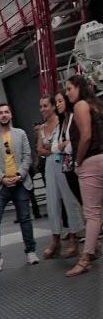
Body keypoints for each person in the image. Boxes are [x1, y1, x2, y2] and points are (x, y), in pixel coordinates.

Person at [0, 103, 38, 272]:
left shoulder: (21, 134)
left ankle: (31, 251)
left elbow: (28, 156)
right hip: (0, 186)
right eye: (1, 113)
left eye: (6, 112)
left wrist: (20, 174)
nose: (4, 115)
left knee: (25, 219)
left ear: (11, 115)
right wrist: (3, 178)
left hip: (20, 183)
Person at [65, 75, 103, 276]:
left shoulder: (80, 106)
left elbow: (86, 136)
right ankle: (93, 250)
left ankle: (86, 257)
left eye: (70, 88)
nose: (67, 92)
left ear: (79, 87)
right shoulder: (96, 105)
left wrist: (78, 161)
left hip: (90, 163)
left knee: (92, 214)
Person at [41, 93, 83, 260]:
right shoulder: (44, 127)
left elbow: (62, 146)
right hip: (51, 165)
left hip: (65, 163)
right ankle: (56, 239)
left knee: (69, 199)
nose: (43, 109)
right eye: (41, 106)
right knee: (52, 202)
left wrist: (55, 147)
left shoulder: (64, 122)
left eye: (46, 105)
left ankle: (74, 239)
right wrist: (56, 147)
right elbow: (43, 149)